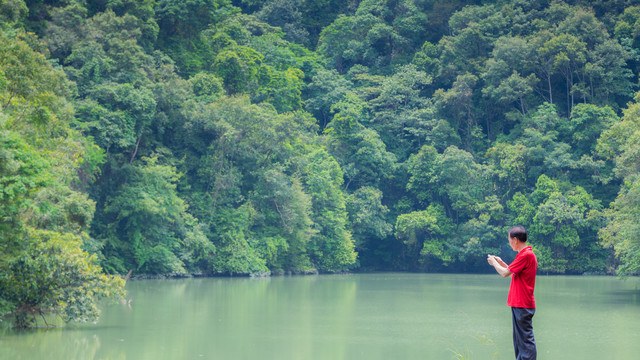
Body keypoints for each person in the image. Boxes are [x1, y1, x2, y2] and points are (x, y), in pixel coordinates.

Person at [487, 226, 537, 360]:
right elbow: (512, 274)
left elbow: (504, 273)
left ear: (515, 240)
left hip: (523, 304)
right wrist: (502, 263)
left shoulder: (526, 255)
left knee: (525, 340)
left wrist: (493, 263)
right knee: (520, 340)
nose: (509, 243)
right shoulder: (524, 255)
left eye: (509, 241)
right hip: (520, 303)